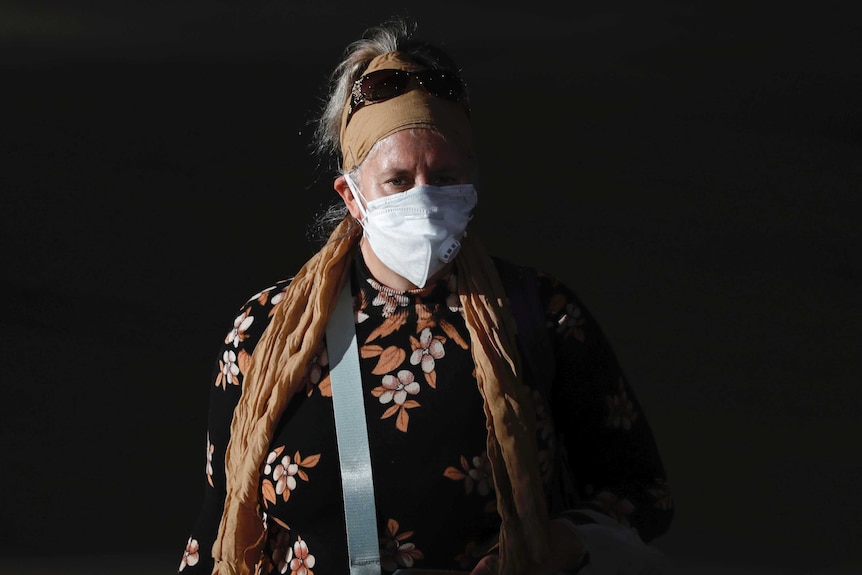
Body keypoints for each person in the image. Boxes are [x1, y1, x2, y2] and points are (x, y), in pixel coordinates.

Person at [178, 17, 674, 575]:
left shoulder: (541, 316)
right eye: (397, 180)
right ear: (351, 193)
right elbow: (216, 523)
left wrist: (559, 542)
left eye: (444, 178)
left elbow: (642, 492)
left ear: (472, 184)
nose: (425, 198)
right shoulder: (265, 333)